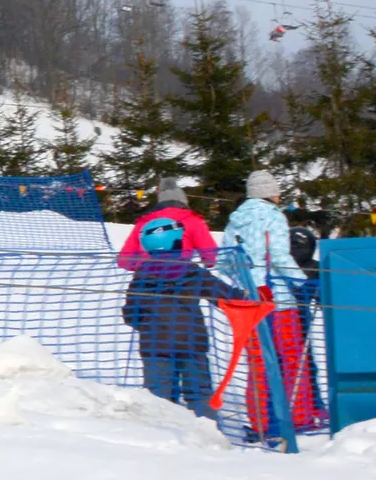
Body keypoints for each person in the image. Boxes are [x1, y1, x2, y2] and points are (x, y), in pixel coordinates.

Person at [224, 169, 320, 436]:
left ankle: (260, 422)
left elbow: (225, 259)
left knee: (259, 361)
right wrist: (301, 282)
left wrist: (245, 282)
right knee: (291, 357)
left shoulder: (236, 220)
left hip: (248, 299)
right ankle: (297, 417)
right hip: (278, 298)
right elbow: (278, 254)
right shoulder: (273, 217)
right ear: (269, 193)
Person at [122, 214, 246, 416]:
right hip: (191, 343)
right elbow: (225, 296)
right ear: (176, 243)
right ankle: (208, 433)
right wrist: (248, 295)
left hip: (154, 346)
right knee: (198, 393)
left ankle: (161, 435)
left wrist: (147, 326)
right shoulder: (192, 272)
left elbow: (130, 313)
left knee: (159, 396)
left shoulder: (141, 276)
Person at [115, 178, 217, 269]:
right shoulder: (193, 220)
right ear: (183, 201)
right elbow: (210, 257)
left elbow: (124, 261)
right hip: (181, 277)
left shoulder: (144, 222)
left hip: (146, 280)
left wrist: (142, 267)